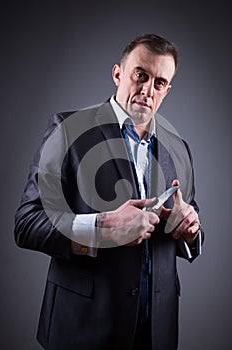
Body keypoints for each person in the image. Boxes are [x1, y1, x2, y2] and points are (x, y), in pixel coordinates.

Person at [14, 33, 203, 350]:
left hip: (157, 331)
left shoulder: (178, 149)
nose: (147, 90)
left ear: (166, 91)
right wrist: (100, 227)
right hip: (83, 327)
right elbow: (27, 223)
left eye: (159, 83)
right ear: (118, 73)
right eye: (140, 75)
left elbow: (190, 219)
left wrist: (190, 231)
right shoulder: (68, 130)